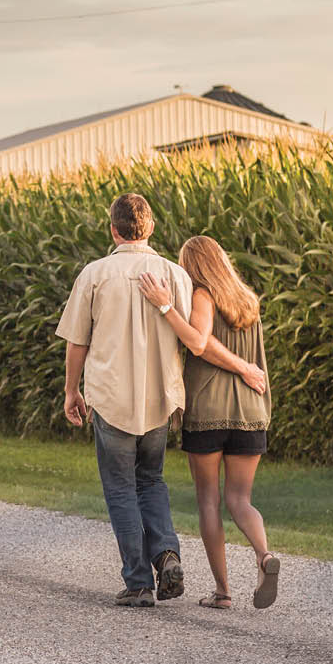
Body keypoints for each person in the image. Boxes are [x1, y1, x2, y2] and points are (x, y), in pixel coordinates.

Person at [56, 193, 259, 608]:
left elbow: (77, 340)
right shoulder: (175, 275)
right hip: (160, 399)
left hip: (111, 398)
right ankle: (167, 555)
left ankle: (138, 583)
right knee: (151, 481)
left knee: (119, 488)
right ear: (149, 229)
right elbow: (194, 338)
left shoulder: (94, 275)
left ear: (113, 230)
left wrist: (71, 390)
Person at [138, 235, 277, 610]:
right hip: (251, 412)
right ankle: (264, 556)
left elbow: (199, 343)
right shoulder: (248, 300)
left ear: (193, 265)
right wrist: (248, 369)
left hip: (209, 412)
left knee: (209, 503)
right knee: (240, 499)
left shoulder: (203, 295)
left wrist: (166, 306)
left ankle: (222, 592)